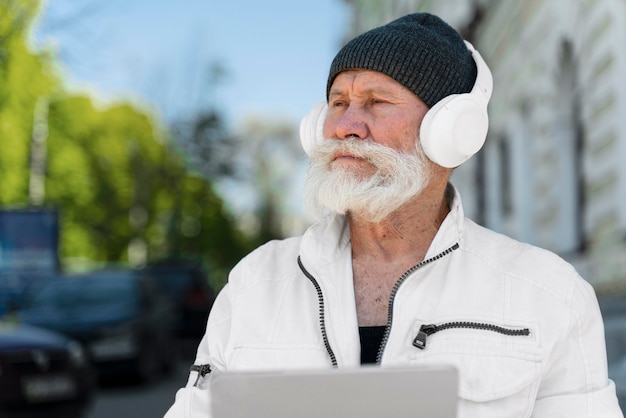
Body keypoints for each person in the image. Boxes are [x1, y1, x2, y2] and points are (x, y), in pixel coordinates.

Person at [165, 12, 623, 417]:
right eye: (338, 103)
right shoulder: (255, 284)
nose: (345, 126)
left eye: (377, 102)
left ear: (451, 131)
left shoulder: (549, 293)